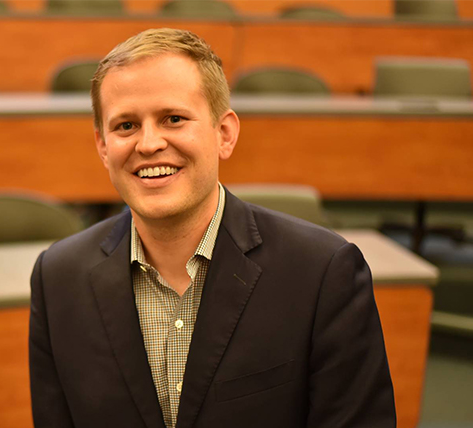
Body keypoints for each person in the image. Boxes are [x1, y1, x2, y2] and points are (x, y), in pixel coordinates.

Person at [29, 28, 395, 428]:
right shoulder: (57, 279)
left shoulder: (322, 273)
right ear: (102, 145)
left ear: (225, 134)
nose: (148, 144)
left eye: (173, 118)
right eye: (126, 126)